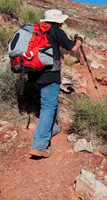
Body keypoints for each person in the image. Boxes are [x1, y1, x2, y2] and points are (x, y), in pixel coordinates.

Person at [28, 9, 83, 158]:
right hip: (50, 74)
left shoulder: (37, 31)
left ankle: (51, 128)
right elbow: (73, 48)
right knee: (48, 106)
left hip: (34, 72)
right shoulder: (56, 31)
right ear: (58, 21)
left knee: (49, 102)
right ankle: (39, 144)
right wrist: (79, 40)